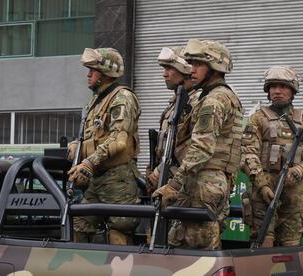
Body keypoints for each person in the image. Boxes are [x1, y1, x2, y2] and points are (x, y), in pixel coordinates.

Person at [152, 39, 244, 250]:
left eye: (198, 65)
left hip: (203, 182)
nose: (191, 70)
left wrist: (173, 185)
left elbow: (202, 148)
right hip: (205, 181)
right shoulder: (216, 96)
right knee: (182, 245)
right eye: (191, 63)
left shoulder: (213, 101)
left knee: (197, 252)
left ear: (215, 68)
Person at [241, 65, 303, 247]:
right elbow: (248, 154)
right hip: (264, 194)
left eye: (283, 86)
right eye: (273, 86)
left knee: (290, 248)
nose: (277, 91)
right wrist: (262, 185)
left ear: (293, 90)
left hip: (294, 195)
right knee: (263, 244)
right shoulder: (257, 119)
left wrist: (300, 169)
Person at [67, 47, 141, 245]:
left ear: (107, 72)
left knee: (120, 231)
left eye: (94, 70)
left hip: (118, 179)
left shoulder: (122, 98)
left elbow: (118, 141)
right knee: (78, 226)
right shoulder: (95, 101)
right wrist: (77, 148)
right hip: (97, 179)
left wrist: (88, 162)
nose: (89, 74)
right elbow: (95, 136)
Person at [146, 46, 198, 192]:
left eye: (169, 69)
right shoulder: (175, 103)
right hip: (166, 181)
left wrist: (160, 172)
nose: (164, 74)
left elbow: (193, 150)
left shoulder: (195, 103)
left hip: (183, 185)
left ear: (184, 69)